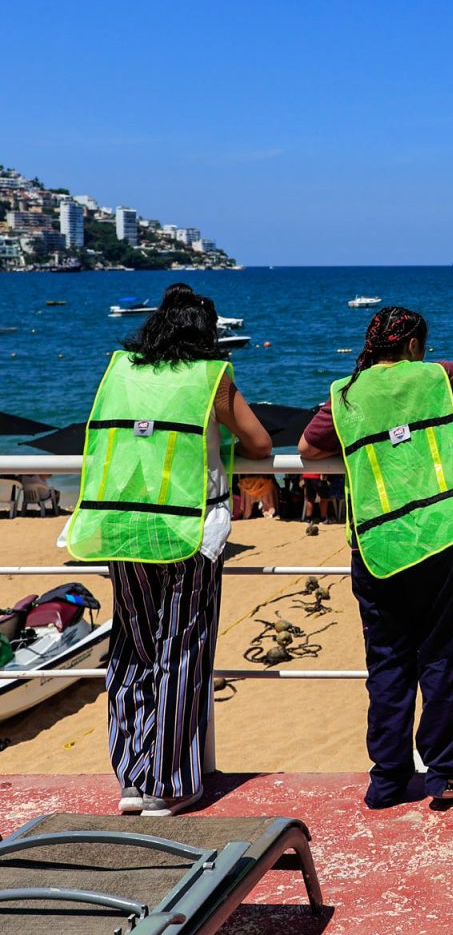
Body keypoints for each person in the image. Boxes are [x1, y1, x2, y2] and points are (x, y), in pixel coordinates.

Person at [64, 284, 272, 816]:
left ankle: (133, 778)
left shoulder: (123, 370)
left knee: (133, 647)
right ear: (204, 333)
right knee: (182, 649)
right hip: (188, 531)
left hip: (125, 525)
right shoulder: (211, 376)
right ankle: (171, 783)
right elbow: (259, 443)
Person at [298, 307, 453, 809]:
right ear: (414, 346)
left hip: (379, 548)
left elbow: (309, 450)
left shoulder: (346, 394)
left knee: (388, 662)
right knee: (438, 656)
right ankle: (442, 773)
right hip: (443, 536)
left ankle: (388, 779)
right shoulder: (434, 378)